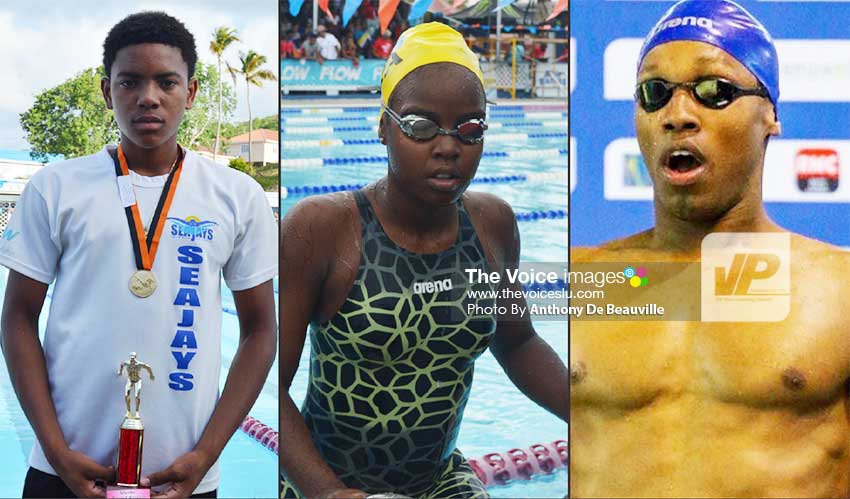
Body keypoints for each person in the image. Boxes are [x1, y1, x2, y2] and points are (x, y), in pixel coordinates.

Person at [569, 1, 850, 497]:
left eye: (714, 92)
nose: (678, 115)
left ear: (771, 115)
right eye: (654, 93)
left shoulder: (840, 289)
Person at [280, 22, 568, 499]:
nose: (448, 146)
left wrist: (599, 416)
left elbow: (518, 345)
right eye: (420, 126)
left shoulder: (492, 225)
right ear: (382, 127)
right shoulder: (322, 229)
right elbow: (270, 384)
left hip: (437, 480)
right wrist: (328, 492)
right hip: (321, 481)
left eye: (470, 128)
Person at [0, 11, 277, 499]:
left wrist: (206, 454)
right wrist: (56, 449)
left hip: (182, 473)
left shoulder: (237, 195)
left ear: (190, 93)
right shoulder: (56, 188)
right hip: (62, 465)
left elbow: (259, 330)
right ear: (107, 91)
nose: (148, 97)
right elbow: (18, 317)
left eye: (167, 82)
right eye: (130, 82)